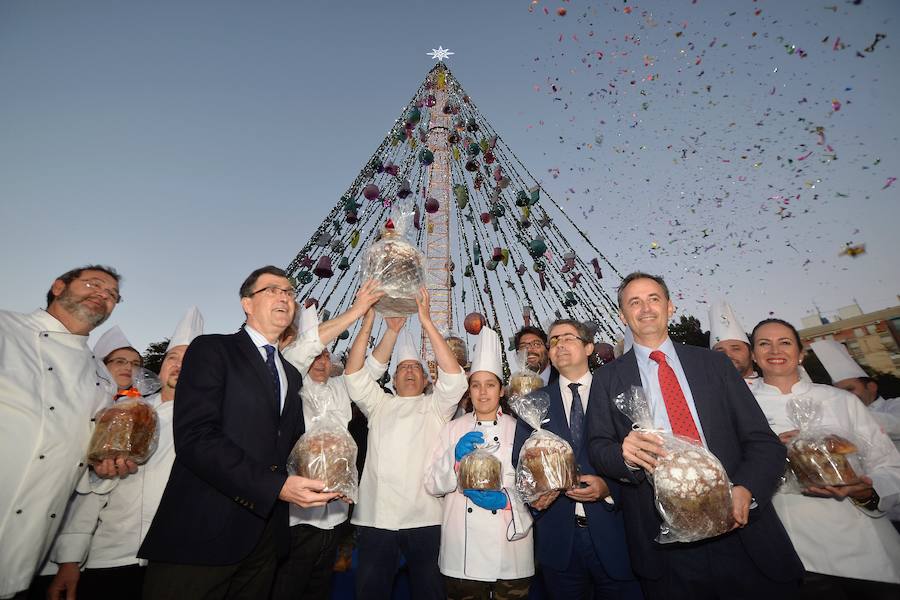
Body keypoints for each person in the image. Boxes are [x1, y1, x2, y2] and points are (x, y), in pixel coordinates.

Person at [587, 272, 803, 600]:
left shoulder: (714, 364)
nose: (645, 308)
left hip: (741, 530)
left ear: (670, 307)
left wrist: (746, 490)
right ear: (622, 315)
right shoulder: (606, 379)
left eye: (653, 298)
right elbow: (597, 446)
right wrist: (622, 454)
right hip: (664, 546)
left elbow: (764, 443)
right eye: (634, 302)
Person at [138, 266, 339, 599]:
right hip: (202, 530)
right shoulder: (212, 350)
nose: (284, 297)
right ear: (247, 303)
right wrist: (277, 487)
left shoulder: (290, 373)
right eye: (272, 289)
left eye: (289, 292)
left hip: (265, 540)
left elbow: (287, 448)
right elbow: (196, 438)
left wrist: (327, 479)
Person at [47, 307, 204, 600]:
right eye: (173, 357)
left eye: (190, 360)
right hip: (111, 556)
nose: (179, 365)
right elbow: (94, 493)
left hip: (177, 561)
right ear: (161, 365)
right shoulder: (128, 413)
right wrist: (70, 559)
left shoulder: (209, 423)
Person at [0, 264, 132, 599]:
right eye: (94, 284)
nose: (103, 295)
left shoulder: (101, 379)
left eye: (112, 295)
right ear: (58, 287)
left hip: (26, 544)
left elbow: (83, 464)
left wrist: (103, 467)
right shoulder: (6, 327)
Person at [749, 319, 900, 597]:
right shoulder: (741, 404)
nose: (775, 350)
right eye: (763, 344)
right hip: (799, 552)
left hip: (867, 546)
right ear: (754, 356)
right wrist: (772, 455)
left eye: (784, 342)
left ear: (800, 353)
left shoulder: (841, 400)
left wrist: (868, 488)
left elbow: (889, 464)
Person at [344, 288, 468, 600]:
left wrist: (426, 322)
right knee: (370, 593)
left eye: (415, 368)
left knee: (430, 593)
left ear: (428, 380)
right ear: (393, 379)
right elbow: (354, 377)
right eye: (402, 368)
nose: (409, 371)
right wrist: (381, 328)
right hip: (376, 519)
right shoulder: (379, 404)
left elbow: (455, 380)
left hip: (427, 518)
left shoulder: (437, 407)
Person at [513, 319, 641, 600]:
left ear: (588, 347)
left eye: (567, 338)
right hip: (559, 540)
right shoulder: (533, 403)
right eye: (553, 341)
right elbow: (520, 463)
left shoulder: (618, 396)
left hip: (617, 535)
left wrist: (610, 488)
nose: (559, 345)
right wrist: (536, 495)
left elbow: (641, 458)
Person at [272, 286, 387, 600]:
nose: (321, 361)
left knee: (319, 587)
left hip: (336, 508)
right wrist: (357, 311)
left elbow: (372, 369)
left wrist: (377, 327)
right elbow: (300, 351)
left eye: (326, 355)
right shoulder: (289, 380)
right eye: (315, 355)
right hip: (296, 512)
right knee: (287, 586)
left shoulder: (339, 386)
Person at [425, 326, 534, 599]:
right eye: (476, 385)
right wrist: (454, 457)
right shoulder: (452, 429)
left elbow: (536, 488)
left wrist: (508, 500)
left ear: (501, 391)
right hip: (462, 551)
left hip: (510, 546)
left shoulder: (520, 430)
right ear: (469, 390)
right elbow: (430, 484)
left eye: (490, 385)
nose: (483, 393)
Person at [811, 339, 900, 451]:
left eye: (850, 389)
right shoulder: (844, 418)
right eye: (841, 393)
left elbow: (895, 425)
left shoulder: (895, 404)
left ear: (872, 387)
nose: (846, 396)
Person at [708, 299, 757, 382]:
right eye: (720, 352)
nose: (728, 355)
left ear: (752, 354)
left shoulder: (776, 390)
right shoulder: (705, 391)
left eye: (735, 348)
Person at [93, 325, 144, 397]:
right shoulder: (82, 396)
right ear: (103, 365)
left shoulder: (146, 403)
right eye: (120, 361)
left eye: (135, 364)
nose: (129, 367)